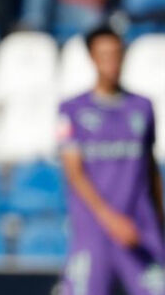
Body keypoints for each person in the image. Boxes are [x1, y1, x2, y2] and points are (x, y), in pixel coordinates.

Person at [59, 26, 165, 295]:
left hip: (139, 228)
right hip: (95, 230)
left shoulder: (142, 106)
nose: (112, 62)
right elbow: (75, 172)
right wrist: (111, 219)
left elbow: (149, 167)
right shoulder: (72, 110)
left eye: (116, 54)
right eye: (104, 55)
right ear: (92, 58)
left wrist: (160, 218)